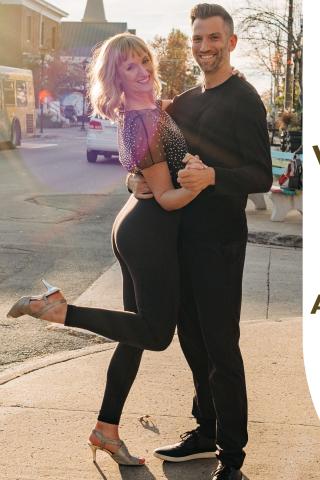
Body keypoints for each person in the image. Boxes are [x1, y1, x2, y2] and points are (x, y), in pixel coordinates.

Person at [7, 33, 208, 467]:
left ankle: (106, 430)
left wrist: (167, 174)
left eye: (143, 60)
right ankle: (59, 310)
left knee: (132, 335)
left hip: (136, 224)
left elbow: (146, 178)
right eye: (129, 66)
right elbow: (169, 197)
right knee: (155, 334)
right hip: (150, 232)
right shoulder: (142, 120)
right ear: (116, 77)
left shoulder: (147, 112)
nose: (142, 69)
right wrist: (202, 179)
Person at [129, 4, 272, 480]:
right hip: (179, 242)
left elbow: (261, 176)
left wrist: (213, 177)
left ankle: (231, 457)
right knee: (190, 339)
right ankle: (204, 430)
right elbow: (153, 158)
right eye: (197, 40)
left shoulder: (246, 100)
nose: (204, 47)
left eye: (213, 39)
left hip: (220, 246)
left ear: (230, 43)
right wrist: (135, 184)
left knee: (220, 348)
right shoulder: (185, 102)